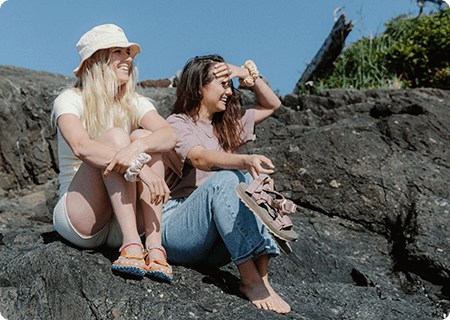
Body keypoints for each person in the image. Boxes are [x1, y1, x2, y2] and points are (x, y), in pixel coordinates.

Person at [161, 55, 291, 313]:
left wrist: (244, 73)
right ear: (199, 87)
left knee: (252, 182)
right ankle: (250, 279)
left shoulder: (227, 125)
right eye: (223, 83)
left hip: (214, 245)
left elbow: (272, 104)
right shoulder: (177, 123)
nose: (230, 91)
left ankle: (262, 277)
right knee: (231, 176)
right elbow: (198, 157)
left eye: (230, 84)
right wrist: (242, 159)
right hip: (178, 230)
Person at [52, 24, 178, 281]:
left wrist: (139, 147)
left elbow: (169, 135)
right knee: (115, 136)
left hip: (124, 216)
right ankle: (132, 245)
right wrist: (141, 169)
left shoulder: (136, 102)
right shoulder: (69, 99)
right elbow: (82, 146)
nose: (128, 58)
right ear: (95, 60)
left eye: (128, 52)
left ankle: (154, 248)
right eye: (118, 51)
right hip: (84, 218)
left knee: (145, 136)